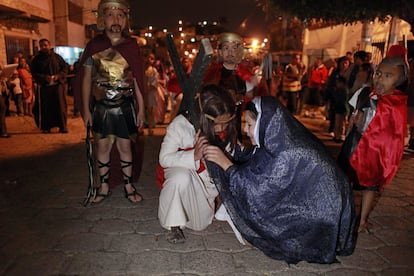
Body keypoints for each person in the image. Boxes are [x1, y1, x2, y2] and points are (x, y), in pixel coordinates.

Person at [203, 96, 356, 264]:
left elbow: (258, 191)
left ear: (265, 123)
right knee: (236, 185)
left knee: (246, 197)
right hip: (310, 204)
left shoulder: (287, 154)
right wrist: (236, 153)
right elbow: (255, 169)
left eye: (249, 124)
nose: (245, 130)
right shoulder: (277, 140)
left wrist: (225, 164)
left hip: (322, 215)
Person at [75, 0, 145, 204]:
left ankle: (129, 186)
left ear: (126, 21)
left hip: (125, 106)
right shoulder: (94, 46)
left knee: (125, 147)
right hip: (101, 108)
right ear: (102, 19)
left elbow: (138, 80)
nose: (116, 20)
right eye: (111, 16)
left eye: (121, 16)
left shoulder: (132, 46)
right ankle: (103, 187)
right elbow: (86, 79)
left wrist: (141, 110)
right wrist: (86, 110)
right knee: (102, 147)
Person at [338, 45, 409, 233]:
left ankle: (362, 221)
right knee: (345, 180)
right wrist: (354, 120)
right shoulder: (364, 93)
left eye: (388, 76)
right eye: (379, 73)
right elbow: (354, 114)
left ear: (399, 79)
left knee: (369, 187)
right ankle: (341, 214)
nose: (380, 79)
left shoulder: (397, 103)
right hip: (354, 145)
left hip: (375, 152)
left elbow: (395, 133)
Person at [157, 84, 237, 244]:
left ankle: (187, 214)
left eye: (226, 122)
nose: (221, 128)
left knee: (199, 225)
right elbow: (164, 159)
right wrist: (194, 155)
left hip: (205, 192)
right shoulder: (180, 125)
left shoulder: (223, 131)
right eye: (217, 123)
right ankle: (173, 224)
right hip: (182, 178)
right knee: (181, 176)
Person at [203, 32, 257, 140]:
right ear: (220, 52)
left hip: (235, 125)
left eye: (234, 48)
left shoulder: (245, 74)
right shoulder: (213, 73)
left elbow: (251, 99)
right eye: (226, 48)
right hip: (215, 124)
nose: (230, 52)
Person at [30, 38, 68, 133]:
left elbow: (64, 68)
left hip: (57, 86)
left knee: (60, 106)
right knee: (46, 108)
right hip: (44, 87)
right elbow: (34, 72)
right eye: (41, 45)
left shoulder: (57, 57)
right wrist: (45, 78)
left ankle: (62, 126)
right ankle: (46, 127)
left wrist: (58, 76)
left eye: (45, 45)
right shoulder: (37, 59)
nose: (44, 47)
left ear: (49, 45)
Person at [144, 53, 166, 134]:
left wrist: (147, 90)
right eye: (147, 57)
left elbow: (155, 83)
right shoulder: (143, 69)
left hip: (150, 93)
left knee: (150, 110)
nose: (149, 60)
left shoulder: (153, 70)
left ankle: (150, 128)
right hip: (143, 92)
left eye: (151, 58)